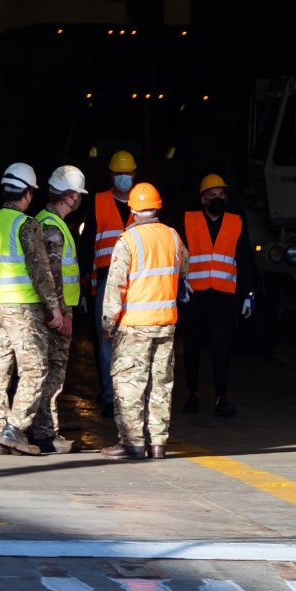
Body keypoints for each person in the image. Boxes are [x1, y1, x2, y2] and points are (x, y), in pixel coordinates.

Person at [0, 163, 68, 457]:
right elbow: (41, 270)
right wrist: (54, 308)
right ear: (28, 193)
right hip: (23, 308)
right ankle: (15, 428)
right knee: (35, 368)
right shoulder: (26, 225)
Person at [101, 181, 188, 460]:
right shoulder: (173, 236)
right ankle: (158, 444)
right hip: (165, 323)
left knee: (130, 382)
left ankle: (132, 442)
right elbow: (184, 267)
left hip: (134, 325)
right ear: (157, 207)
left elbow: (115, 285)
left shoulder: (128, 241)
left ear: (133, 210)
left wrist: (107, 322)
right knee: (160, 384)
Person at [179, 173, 259, 417]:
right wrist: (178, 282)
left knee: (221, 348)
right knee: (191, 347)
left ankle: (220, 399)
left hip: (223, 297)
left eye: (221, 195)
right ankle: (193, 395)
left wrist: (250, 292)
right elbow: (177, 254)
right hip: (194, 296)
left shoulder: (236, 223)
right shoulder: (188, 221)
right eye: (212, 195)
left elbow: (244, 260)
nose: (217, 199)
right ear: (203, 199)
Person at [32, 165, 87, 453]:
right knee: (53, 373)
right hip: (56, 313)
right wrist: (63, 313)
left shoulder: (46, 221)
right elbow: (53, 274)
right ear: (70, 197)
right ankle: (44, 434)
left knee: (48, 371)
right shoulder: (53, 227)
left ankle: (44, 431)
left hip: (51, 310)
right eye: (78, 196)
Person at [78, 150, 136, 417]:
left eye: (128, 173)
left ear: (135, 175)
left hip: (136, 283)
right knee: (106, 339)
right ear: (111, 175)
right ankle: (110, 395)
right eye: (119, 173)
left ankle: (130, 394)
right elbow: (87, 241)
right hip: (104, 280)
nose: (124, 177)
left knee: (134, 338)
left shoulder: (142, 202)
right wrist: (84, 276)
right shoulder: (99, 202)